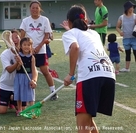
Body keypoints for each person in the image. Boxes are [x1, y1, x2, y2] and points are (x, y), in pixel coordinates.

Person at [62, 5, 115, 133]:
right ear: (85, 20)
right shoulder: (94, 33)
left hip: (90, 77)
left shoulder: (70, 33)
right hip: (109, 75)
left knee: (82, 126)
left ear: (69, 21)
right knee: (88, 119)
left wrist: (70, 74)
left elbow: (75, 47)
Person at [19, 0, 58, 100]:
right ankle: (23, 93)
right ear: (30, 9)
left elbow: (47, 35)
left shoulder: (45, 20)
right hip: (28, 51)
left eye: (37, 8)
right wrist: (24, 48)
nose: (35, 10)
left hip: (41, 51)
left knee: (45, 71)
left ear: (40, 9)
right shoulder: (25, 21)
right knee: (26, 71)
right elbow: (22, 35)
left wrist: (38, 47)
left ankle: (53, 92)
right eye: (33, 8)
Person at [0, 30, 27, 114]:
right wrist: (17, 62)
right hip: (6, 85)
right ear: (8, 41)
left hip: (18, 86)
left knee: (22, 109)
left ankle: (11, 100)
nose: (15, 40)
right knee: (2, 111)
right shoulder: (5, 54)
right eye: (12, 39)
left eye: (17, 37)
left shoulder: (25, 52)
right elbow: (9, 70)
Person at [14, 37, 37, 116]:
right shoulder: (18, 56)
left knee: (30, 94)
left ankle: (32, 110)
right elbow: (17, 68)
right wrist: (19, 64)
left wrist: (33, 80)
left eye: (28, 45)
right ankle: (19, 110)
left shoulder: (32, 57)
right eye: (24, 45)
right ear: (21, 46)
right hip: (19, 76)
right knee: (19, 93)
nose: (26, 46)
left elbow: (33, 69)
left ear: (31, 46)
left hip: (28, 77)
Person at [116, 1, 136, 72]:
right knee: (127, 53)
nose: (132, 8)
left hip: (134, 38)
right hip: (126, 38)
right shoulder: (122, 17)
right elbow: (117, 27)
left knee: (135, 52)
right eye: (131, 7)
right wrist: (120, 32)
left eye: (133, 7)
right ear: (127, 8)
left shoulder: (135, 16)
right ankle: (127, 68)